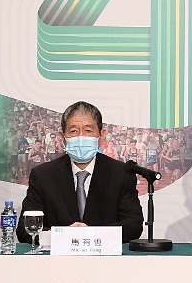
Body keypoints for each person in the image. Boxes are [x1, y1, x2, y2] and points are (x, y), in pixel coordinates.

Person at [17, 101, 144, 243]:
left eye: (88, 131)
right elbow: (25, 230)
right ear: (63, 137)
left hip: (105, 255)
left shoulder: (121, 174)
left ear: (101, 135)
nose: (81, 137)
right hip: (58, 256)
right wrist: (65, 236)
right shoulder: (43, 176)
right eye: (73, 131)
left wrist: (93, 234)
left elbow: (133, 225)